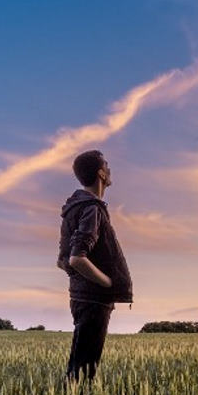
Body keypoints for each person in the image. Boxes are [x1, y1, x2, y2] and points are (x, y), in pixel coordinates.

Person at [57, 150, 133, 381]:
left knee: (79, 365)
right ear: (101, 173)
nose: (110, 170)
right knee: (84, 370)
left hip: (80, 296)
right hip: (93, 298)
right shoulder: (92, 208)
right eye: (107, 166)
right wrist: (107, 282)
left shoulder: (74, 209)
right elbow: (76, 258)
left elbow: (62, 260)